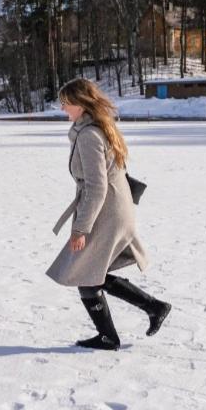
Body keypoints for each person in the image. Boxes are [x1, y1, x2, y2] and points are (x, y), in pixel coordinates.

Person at [47, 78, 171, 351]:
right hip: (114, 207)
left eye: (66, 103)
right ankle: (152, 308)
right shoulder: (92, 128)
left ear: (81, 104)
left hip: (107, 211)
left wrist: (81, 229)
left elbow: (97, 186)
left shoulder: (90, 135)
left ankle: (112, 334)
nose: (63, 107)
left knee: (84, 273)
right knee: (92, 273)